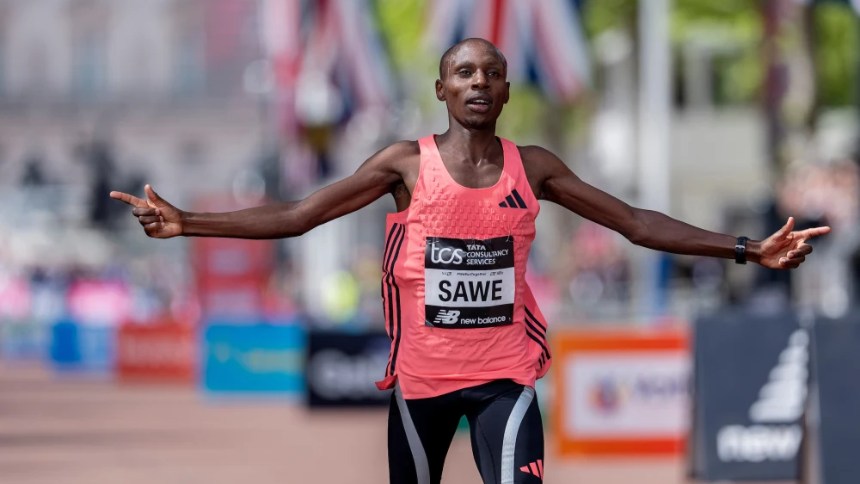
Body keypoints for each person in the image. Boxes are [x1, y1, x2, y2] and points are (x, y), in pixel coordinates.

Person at [110, 38, 830, 484]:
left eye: (492, 72)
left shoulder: (534, 167)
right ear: (442, 89)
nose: (478, 82)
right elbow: (300, 216)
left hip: (504, 383)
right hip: (421, 386)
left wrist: (747, 248)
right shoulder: (404, 165)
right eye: (463, 72)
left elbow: (636, 223)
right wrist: (189, 222)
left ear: (508, 90)